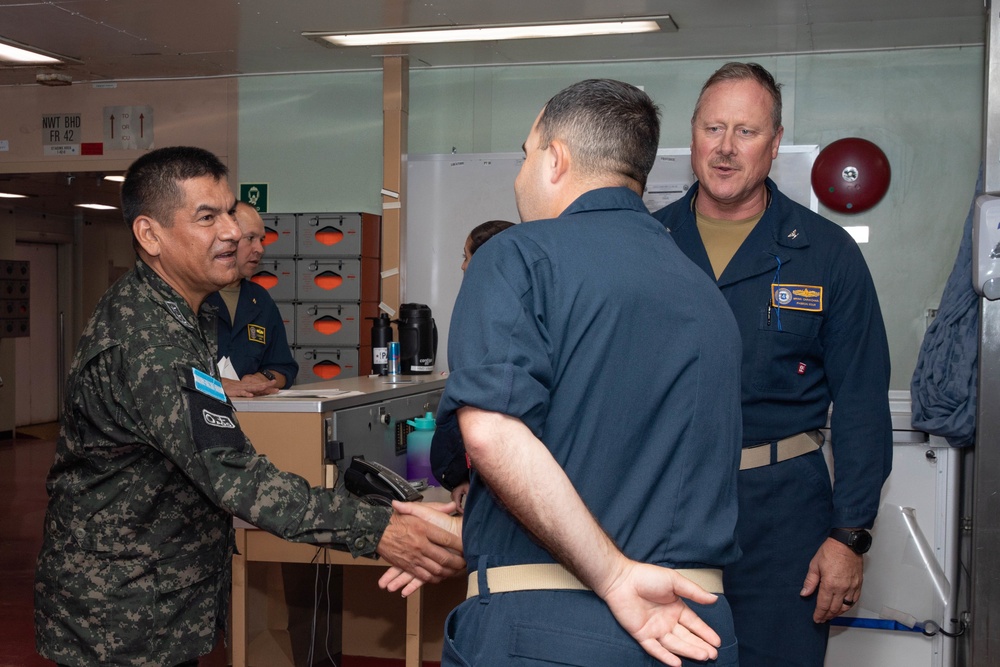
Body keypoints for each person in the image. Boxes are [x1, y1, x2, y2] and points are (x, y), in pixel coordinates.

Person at [34, 146, 464, 667]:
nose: (234, 232)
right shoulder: (147, 340)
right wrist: (381, 529)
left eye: (231, 212)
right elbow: (236, 476)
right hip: (119, 615)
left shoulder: (185, 316)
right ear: (150, 235)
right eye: (207, 217)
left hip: (156, 600)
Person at [407, 79, 744, 666]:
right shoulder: (703, 290)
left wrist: (614, 576)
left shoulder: (518, 256)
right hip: (696, 627)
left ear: (556, 158)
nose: (519, 175)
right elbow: (627, 468)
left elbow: (492, 435)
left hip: (554, 630)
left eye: (525, 154)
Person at [652, 62, 893, 666]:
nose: (726, 149)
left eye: (746, 132)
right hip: (664, 509)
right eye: (713, 129)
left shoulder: (826, 252)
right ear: (692, 136)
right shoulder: (648, 244)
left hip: (785, 517)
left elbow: (862, 401)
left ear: (776, 143)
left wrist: (849, 536)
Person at [431, 219, 515, 508]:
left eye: (466, 257)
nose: (463, 267)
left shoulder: (477, 314)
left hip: (493, 467)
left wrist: (457, 473)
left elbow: (465, 395)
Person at [205, 200, 299, 398]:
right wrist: (216, 385)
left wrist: (262, 378)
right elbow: (168, 373)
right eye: (250, 238)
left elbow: (284, 367)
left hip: (251, 416)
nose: (260, 249)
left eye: (261, 239)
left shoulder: (259, 299)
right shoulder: (193, 294)